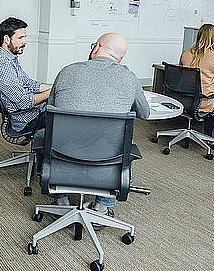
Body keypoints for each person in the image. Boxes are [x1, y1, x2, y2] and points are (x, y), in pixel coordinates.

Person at [46, 32, 150, 220]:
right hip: (106, 162)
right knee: (126, 138)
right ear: (120, 59)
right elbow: (144, 113)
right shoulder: (129, 77)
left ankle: (60, 201)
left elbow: (51, 108)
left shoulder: (67, 71)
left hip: (64, 156)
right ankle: (102, 206)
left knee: (47, 133)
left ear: (97, 47)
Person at [0, 17, 51, 134]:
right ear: (7, 39)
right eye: (20, 38)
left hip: (35, 111)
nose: (25, 42)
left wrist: (56, 86)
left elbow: (31, 84)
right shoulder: (3, 67)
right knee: (70, 116)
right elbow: (24, 102)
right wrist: (50, 93)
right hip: (28, 119)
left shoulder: (9, 58)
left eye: (25, 37)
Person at [179, 23, 214, 138]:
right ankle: (208, 135)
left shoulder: (186, 53)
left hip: (184, 99)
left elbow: (181, 77)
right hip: (203, 101)